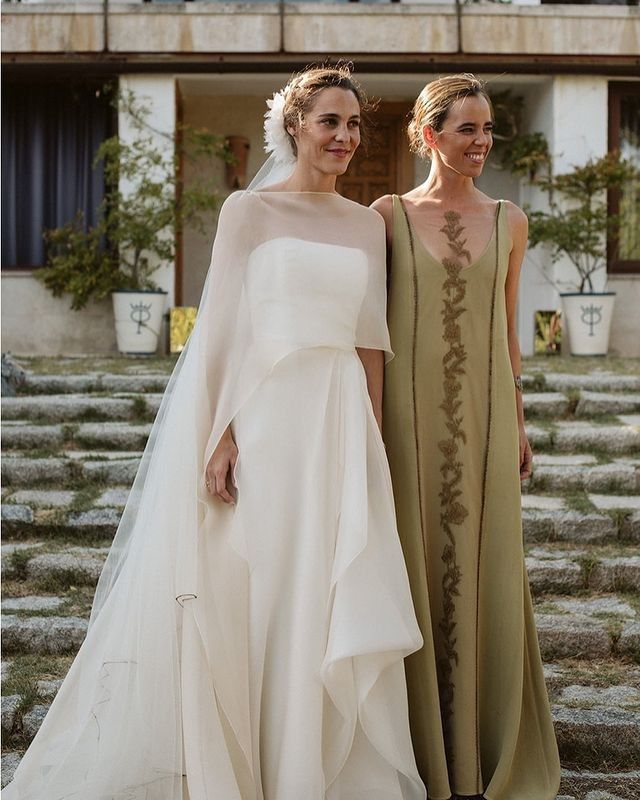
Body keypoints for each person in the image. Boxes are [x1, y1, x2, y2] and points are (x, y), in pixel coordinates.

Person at [5, 65, 426, 800]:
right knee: (256, 581)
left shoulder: (369, 225)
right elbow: (224, 329)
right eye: (330, 121)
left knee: (322, 587)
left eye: (354, 125)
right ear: (296, 124)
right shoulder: (247, 212)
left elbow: (370, 344)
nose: (345, 138)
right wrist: (219, 433)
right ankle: (250, 760)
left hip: (338, 425)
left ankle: (314, 766)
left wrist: (376, 448)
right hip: (266, 415)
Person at [372, 74, 561, 800]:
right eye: (466, 131)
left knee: (484, 564)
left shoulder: (510, 219)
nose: (481, 144)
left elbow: (508, 329)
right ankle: (416, 754)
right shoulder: (384, 215)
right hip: (405, 419)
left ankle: (484, 752)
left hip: (483, 417)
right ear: (429, 136)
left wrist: (517, 418)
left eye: (488, 131)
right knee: (412, 562)